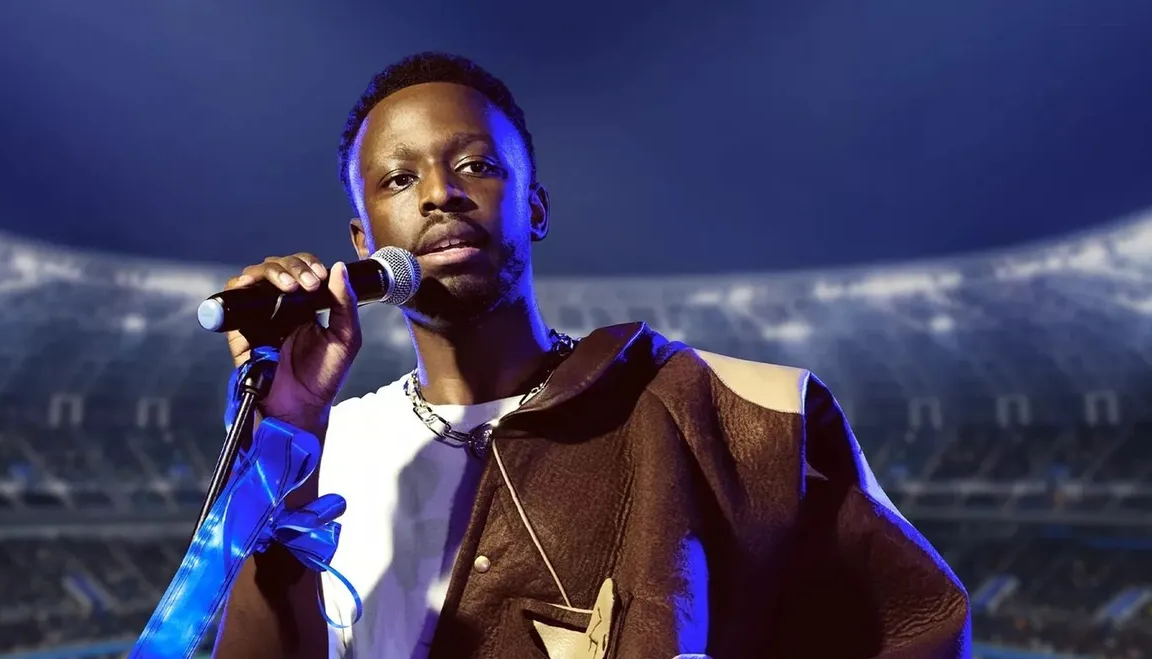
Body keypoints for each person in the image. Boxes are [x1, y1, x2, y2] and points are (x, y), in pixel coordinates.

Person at [212, 52, 970, 659]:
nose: (441, 193)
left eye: (477, 165)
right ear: (361, 241)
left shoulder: (717, 409)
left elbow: (912, 627)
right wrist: (289, 430)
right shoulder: (327, 445)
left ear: (534, 208)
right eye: (400, 179)